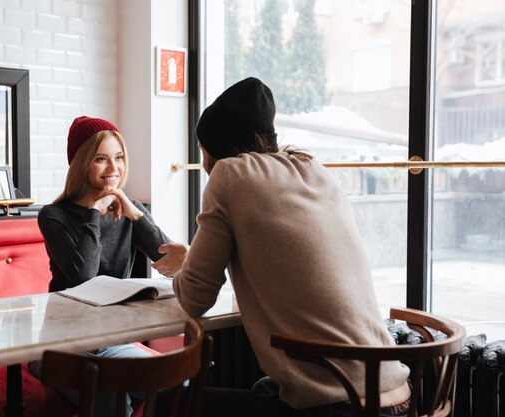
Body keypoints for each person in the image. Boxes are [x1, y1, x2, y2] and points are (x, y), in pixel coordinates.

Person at [170, 78, 411, 417]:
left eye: (201, 149)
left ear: (212, 147)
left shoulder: (230, 175)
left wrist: (185, 266)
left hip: (338, 405)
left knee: (171, 402)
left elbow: (194, 299)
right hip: (394, 392)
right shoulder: (314, 169)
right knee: (264, 388)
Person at [32, 116, 181, 417]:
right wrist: (92, 215)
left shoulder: (129, 209)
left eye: (119, 157)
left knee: (177, 388)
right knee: (109, 394)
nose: (114, 169)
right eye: (101, 159)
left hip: (113, 344)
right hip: (61, 347)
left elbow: (171, 264)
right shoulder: (54, 215)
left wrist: (137, 215)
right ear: (81, 162)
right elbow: (83, 279)